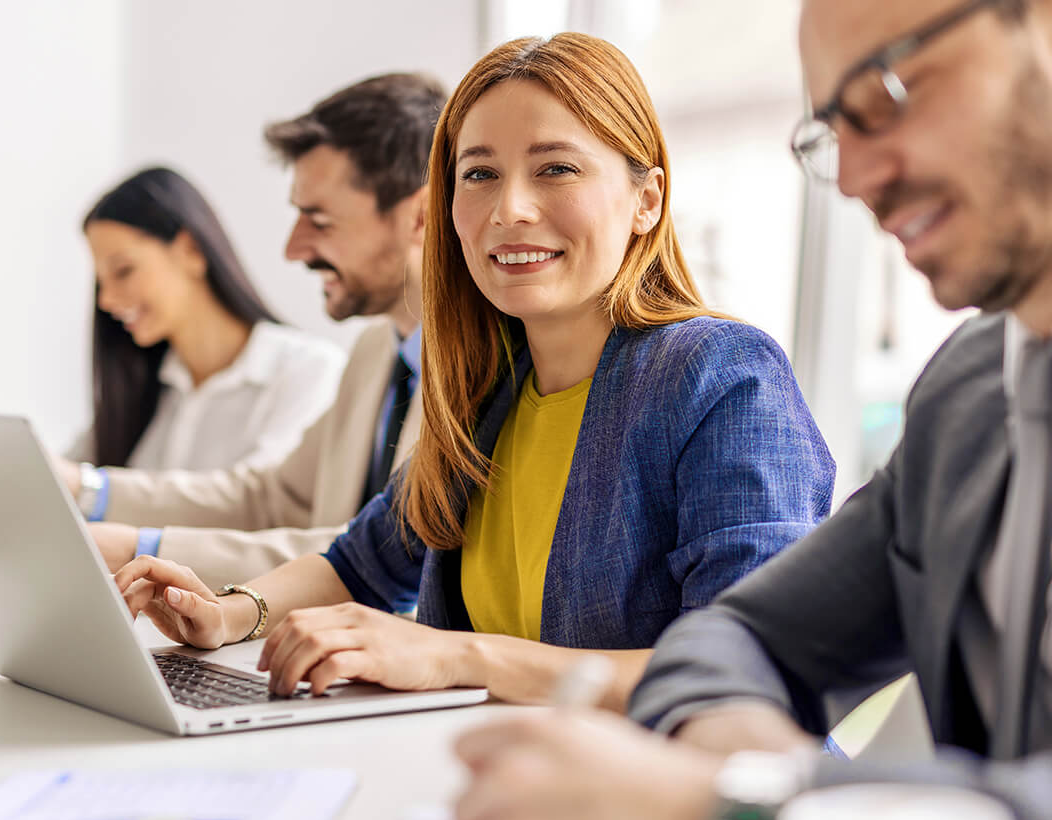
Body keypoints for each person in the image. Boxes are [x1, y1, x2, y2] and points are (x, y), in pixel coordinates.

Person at [453, 1, 1052, 820]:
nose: (849, 177)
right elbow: (736, 634)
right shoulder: (971, 392)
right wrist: (742, 781)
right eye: (831, 128)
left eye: (887, 90)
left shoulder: (709, 372)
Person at [113, 33, 834, 710]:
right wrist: (227, 614)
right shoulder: (489, 386)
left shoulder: (719, 377)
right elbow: (360, 565)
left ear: (646, 200)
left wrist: (460, 658)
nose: (509, 210)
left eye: (556, 168)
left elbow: (743, 668)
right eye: (480, 174)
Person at [59, 77, 445, 587]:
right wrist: (91, 491)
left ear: (420, 216)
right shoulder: (377, 353)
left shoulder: (484, 369)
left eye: (319, 220)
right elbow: (269, 498)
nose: (294, 249)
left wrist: (143, 547)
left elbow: (377, 558)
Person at [63, 166, 344, 489]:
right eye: (101, 283)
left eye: (123, 271)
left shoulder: (308, 370)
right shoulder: (143, 391)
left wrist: (93, 490)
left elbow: (261, 505)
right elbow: (54, 481)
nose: (107, 300)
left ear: (190, 250)